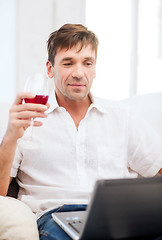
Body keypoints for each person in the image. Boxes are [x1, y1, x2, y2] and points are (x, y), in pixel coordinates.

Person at [0, 23, 162, 240]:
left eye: (87, 63)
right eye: (68, 63)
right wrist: (11, 136)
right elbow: (1, 195)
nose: (78, 73)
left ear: (94, 68)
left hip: (118, 219)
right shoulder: (26, 117)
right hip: (54, 218)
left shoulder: (123, 117)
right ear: (50, 69)